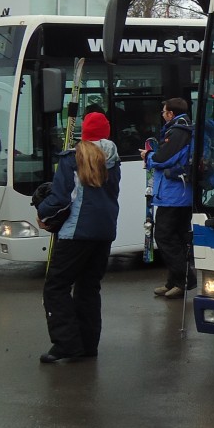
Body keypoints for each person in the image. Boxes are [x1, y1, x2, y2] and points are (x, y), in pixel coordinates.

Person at [36, 111, 121, 364]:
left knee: (56, 287)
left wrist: (43, 214)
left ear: (84, 132)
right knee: (88, 287)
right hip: (104, 231)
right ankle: (87, 344)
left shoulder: (73, 158)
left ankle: (66, 344)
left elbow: (63, 199)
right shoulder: (113, 160)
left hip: (76, 232)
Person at [141, 98, 195, 299]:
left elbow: (164, 159)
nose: (163, 115)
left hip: (174, 196)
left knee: (163, 236)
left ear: (171, 114)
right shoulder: (185, 129)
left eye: (164, 112)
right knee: (178, 238)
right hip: (181, 194)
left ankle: (184, 279)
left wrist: (148, 156)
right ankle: (174, 282)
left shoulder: (178, 131)